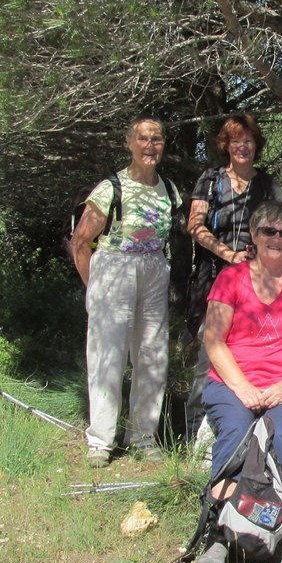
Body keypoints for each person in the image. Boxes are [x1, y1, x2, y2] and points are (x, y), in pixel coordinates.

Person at [195, 201, 282, 563]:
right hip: (233, 382)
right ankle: (218, 531)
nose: (276, 239)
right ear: (253, 234)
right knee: (234, 435)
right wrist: (244, 388)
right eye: (269, 231)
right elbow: (214, 340)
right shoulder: (231, 278)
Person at [71, 115, 179, 468]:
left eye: (157, 139)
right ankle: (101, 440)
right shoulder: (110, 189)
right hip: (114, 267)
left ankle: (143, 436)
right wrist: (95, 290)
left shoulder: (169, 190)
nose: (150, 146)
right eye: (143, 139)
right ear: (129, 142)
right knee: (108, 355)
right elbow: (80, 242)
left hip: (153, 271)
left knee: (152, 355)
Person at [184, 114, 282, 439]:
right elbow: (194, 226)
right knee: (207, 354)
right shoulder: (210, 180)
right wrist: (229, 255)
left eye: (249, 140)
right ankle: (192, 436)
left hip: (258, 285)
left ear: (257, 145)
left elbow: (279, 227)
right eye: (236, 140)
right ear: (225, 145)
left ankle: (244, 431)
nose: (243, 146)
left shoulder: (267, 184)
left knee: (250, 352)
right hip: (214, 278)